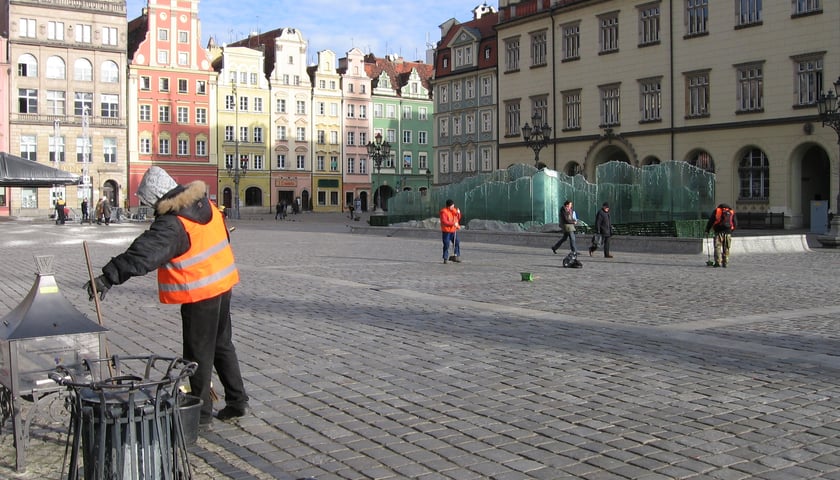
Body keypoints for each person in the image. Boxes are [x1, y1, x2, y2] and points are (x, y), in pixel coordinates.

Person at [83, 166, 249, 426]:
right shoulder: (205, 204)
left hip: (199, 291)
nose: (150, 207)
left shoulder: (174, 222)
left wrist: (108, 277)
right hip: (222, 284)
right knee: (222, 344)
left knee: (198, 355)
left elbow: (144, 253)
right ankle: (237, 402)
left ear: (156, 196)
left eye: (149, 201)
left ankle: (201, 415)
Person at [705, 203, 737, 268]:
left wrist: (707, 230)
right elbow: (735, 223)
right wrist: (731, 231)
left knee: (717, 247)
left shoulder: (717, 210)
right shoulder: (731, 211)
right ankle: (725, 263)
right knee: (726, 248)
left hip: (718, 231)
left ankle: (718, 262)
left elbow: (711, 221)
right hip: (728, 232)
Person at [439, 199, 461, 264]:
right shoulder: (444, 212)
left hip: (453, 230)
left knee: (456, 242)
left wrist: (459, 213)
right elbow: (444, 221)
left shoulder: (454, 210)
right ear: (448, 206)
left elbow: (458, 218)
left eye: (453, 206)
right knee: (446, 244)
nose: (453, 207)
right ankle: (445, 258)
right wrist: (453, 224)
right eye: (452, 206)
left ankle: (456, 255)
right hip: (446, 231)